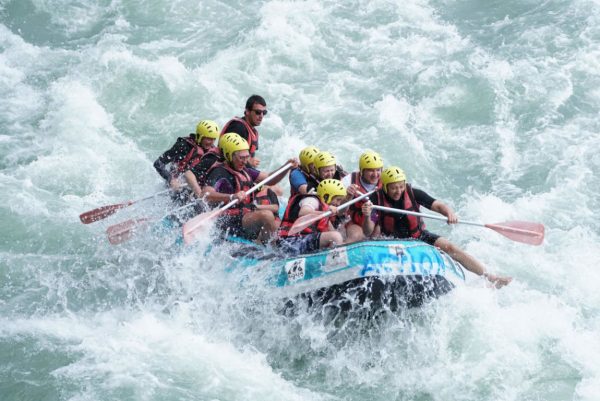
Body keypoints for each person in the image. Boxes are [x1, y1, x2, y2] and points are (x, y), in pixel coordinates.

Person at [361, 166, 512, 288]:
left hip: (417, 236)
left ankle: (490, 277)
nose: (398, 191)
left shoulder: (412, 193)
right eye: (393, 188)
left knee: (450, 247)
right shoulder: (376, 199)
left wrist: (449, 213)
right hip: (390, 241)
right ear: (386, 187)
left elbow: (438, 205)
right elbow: (367, 231)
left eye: (400, 187)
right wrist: (367, 215)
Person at [201, 133, 297, 244]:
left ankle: (266, 242)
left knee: (278, 225)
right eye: (241, 157)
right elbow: (205, 194)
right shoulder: (219, 172)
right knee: (266, 216)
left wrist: (286, 166)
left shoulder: (244, 169)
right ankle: (268, 248)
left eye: (247, 157)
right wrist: (232, 196)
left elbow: (270, 179)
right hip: (229, 220)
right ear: (229, 155)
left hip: (245, 215)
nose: (245, 161)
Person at [277, 179, 347, 255]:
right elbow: (303, 212)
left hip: (300, 241)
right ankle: (334, 263)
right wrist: (325, 212)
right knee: (335, 236)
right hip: (289, 243)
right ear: (327, 196)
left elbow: (332, 231)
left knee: (337, 235)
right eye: (338, 200)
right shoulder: (312, 200)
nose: (339, 203)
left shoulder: (323, 210)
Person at [153, 120, 220, 192]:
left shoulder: (211, 152)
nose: (212, 142)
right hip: (177, 187)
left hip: (195, 187)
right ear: (200, 136)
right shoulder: (183, 146)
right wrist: (171, 179)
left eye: (214, 139)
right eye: (209, 139)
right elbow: (158, 163)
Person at [341, 150, 383, 243]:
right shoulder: (348, 181)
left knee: (379, 232)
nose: (375, 174)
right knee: (357, 236)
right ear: (362, 171)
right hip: (355, 222)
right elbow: (339, 212)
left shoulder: (386, 181)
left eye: (378, 170)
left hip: (376, 220)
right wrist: (348, 197)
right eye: (371, 170)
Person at [220, 95, 266, 169]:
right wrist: (248, 161)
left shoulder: (253, 132)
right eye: (258, 112)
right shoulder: (238, 127)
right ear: (247, 111)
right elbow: (228, 156)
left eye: (264, 112)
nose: (261, 116)